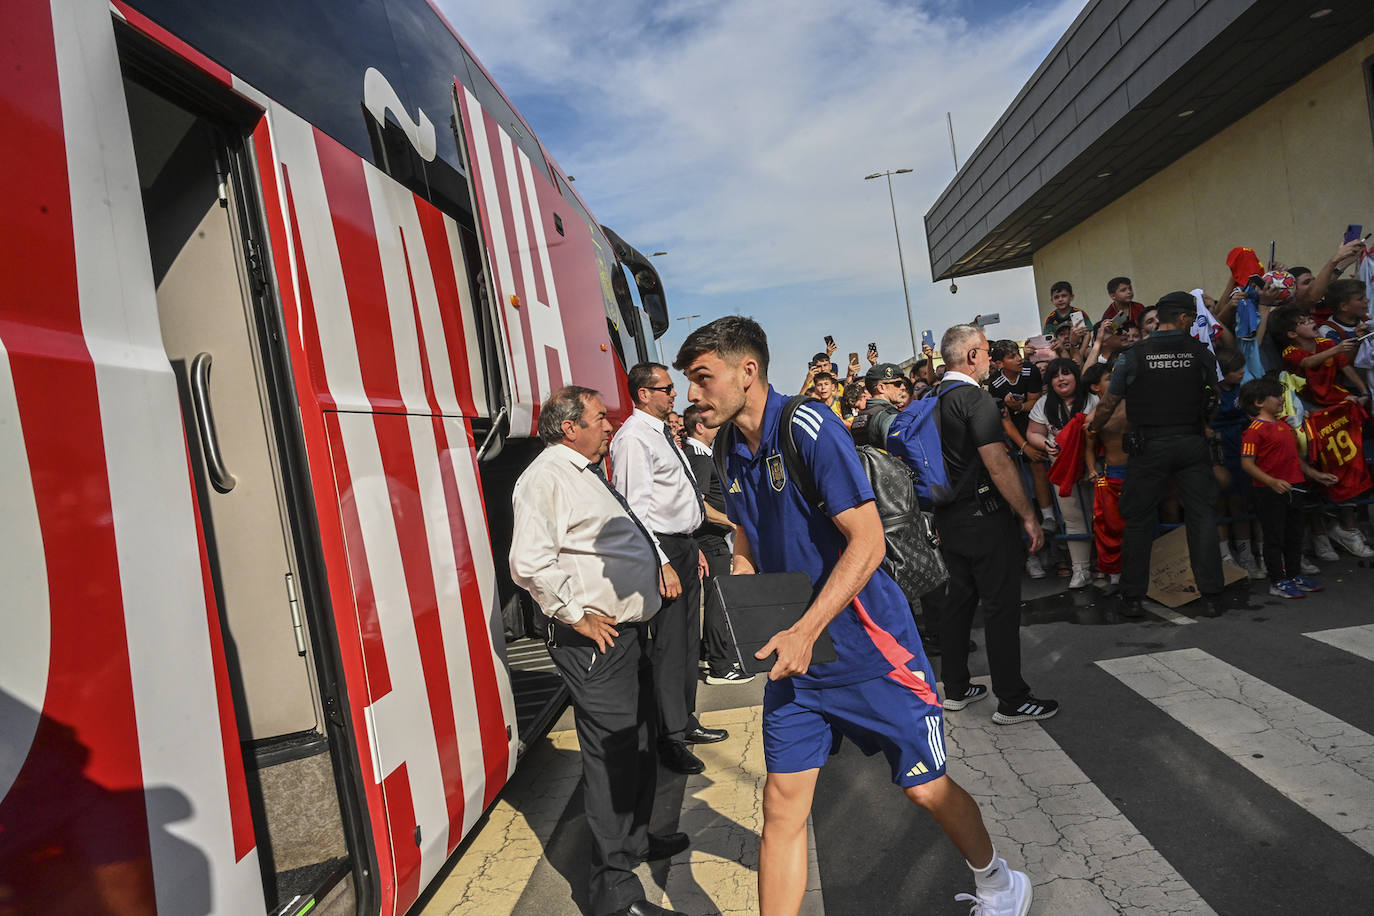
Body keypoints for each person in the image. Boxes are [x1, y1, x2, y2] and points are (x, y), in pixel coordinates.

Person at [673, 316, 1035, 916]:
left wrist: (804, 630)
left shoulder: (811, 428)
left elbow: (866, 544)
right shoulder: (727, 448)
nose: (693, 395)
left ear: (748, 370)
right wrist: (742, 582)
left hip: (870, 652)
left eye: (702, 378)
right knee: (783, 806)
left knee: (926, 788)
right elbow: (744, 539)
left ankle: (999, 881)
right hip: (800, 662)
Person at [509, 386, 690, 916]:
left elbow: (625, 529)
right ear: (568, 427)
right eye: (599, 418)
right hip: (596, 640)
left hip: (627, 632)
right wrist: (575, 614)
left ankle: (634, 842)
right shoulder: (545, 477)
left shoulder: (586, 471)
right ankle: (613, 892)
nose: (610, 426)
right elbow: (530, 562)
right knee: (611, 760)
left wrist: (658, 563)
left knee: (638, 745)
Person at [923, 324, 1058, 725]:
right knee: (1000, 607)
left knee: (959, 602)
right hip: (984, 516)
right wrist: (1029, 514)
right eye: (985, 351)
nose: (991, 358)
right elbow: (997, 464)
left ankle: (958, 687)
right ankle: (1012, 699)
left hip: (949, 517)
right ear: (971, 356)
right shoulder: (974, 400)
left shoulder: (930, 399)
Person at [611, 363, 726, 776]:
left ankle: (684, 719)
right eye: (666, 389)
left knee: (685, 645)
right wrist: (661, 562)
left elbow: (678, 496)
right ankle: (669, 737)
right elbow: (634, 512)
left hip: (682, 545)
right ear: (643, 394)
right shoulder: (632, 440)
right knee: (667, 649)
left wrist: (690, 542)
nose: (675, 394)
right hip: (661, 550)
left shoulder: (660, 433)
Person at [1088, 292, 1226, 618]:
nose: (1193, 323)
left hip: (1148, 446)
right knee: (1202, 517)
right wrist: (1202, 424)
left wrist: (1095, 430)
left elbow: (1109, 401)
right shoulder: (1200, 352)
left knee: (1137, 520)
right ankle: (1211, 597)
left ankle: (1132, 598)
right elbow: (1214, 396)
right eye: (1191, 317)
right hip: (1191, 442)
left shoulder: (1134, 355)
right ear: (1181, 317)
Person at [1237, 378, 1338, 599]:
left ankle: (1293, 575)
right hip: (1269, 492)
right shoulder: (1254, 431)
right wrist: (1272, 481)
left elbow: (1295, 459)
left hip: (1295, 487)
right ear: (1259, 402)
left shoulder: (1283, 425)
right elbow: (1247, 464)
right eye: (1277, 396)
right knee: (1274, 537)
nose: (1282, 399)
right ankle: (1277, 580)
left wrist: (1316, 475)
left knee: (1294, 534)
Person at [682, 404, 754, 686]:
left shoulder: (703, 455)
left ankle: (713, 653)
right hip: (710, 540)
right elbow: (698, 503)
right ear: (699, 427)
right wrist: (732, 522)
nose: (720, 427)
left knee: (718, 598)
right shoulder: (698, 457)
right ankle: (720, 666)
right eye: (713, 423)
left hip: (712, 538)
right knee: (718, 600)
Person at [1026, 358, 1098, 588]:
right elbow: (1033, 433)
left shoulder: (1093, 399)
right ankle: (1081, 569)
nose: (1061, 379)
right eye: (1056, 376)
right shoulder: (1044, 403)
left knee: (1101, 515)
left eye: (1066, 373)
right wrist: (1045, 444)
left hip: (1094, 467)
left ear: (1076, 377)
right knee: (1073, 517)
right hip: (1062, 468)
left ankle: (1109, 567)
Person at [1083, 365, 1127, 590]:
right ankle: (1115, 573)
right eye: (1110, 378)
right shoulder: (1094, 416)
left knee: (1142, 523)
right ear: (1095, 387)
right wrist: (1092, 470)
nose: (1116, 381)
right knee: (1110, 524)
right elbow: (1088, 449)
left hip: (1141, 471)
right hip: (1113, 475)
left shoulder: (1135, 404)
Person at [849, 363, 907, 446]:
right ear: (881, 388)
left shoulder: (861, 416)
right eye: (897, 384)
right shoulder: (888, 416)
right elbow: (899, 451)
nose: (903, 387)